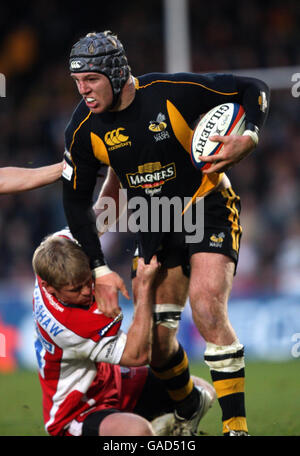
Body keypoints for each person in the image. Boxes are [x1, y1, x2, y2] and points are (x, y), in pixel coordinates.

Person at [62, 31, 270, 435]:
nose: (82, 90)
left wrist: (249, 137)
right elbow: (74, 203)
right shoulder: (82, 129)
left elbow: (252, 88)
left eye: (91, 79)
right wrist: (100, 267)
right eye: (77, 82)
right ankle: (190, 406)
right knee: (155, 344)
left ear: (116, 73)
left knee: (207, 306)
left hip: (205, 204)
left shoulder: (170, 92)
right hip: (151, 221)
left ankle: (236, 429)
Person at [32, 228, 215, 436]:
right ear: (49, 287)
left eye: (87, 281)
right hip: (77, 411)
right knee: (138, 432)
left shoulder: (57, 250)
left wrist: (131, 194)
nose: (86, 291)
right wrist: (144, 285)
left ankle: (162, 430)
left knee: (200, 393)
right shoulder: (69, 326)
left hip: (113, 381)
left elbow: (99, 216)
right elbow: (138, 354)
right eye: (76, 289)